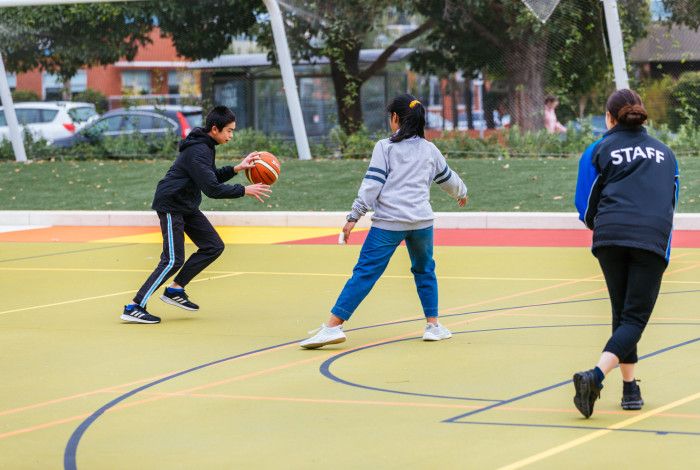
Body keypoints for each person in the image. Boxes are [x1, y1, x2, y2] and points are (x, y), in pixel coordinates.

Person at [300, 94, 468, 349]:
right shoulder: (429, 149)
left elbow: (372, 185)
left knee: (365, 272)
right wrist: (462, 193)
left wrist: (353, 216)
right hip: (422, 223)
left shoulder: (385, 147)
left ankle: (333, 327)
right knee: (425, 271)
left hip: (388, 224)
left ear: (395, 119)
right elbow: (448, 179)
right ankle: (433, 326)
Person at [572, 89, 679, 418]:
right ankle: (595, 376)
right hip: (651, 237)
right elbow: (669, 202)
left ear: (609, 117)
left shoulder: (598, 149)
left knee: (622, 315)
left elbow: (585, 202)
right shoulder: (666, 153)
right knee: (634, 319)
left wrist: (602, 227)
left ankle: (630, 389)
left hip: (610, 236)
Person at [120, 106, 272, 324]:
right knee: (173, 259)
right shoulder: (199, 151)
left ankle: (175, 289)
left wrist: (237, 168)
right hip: (172, 204)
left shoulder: (207, 146)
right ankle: (135, 306)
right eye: (229, 131)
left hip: (187, 204)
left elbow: (211, 178)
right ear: (215, 129)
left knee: (213, 246)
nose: (231, 135)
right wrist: (244, 190)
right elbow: (212, 189)